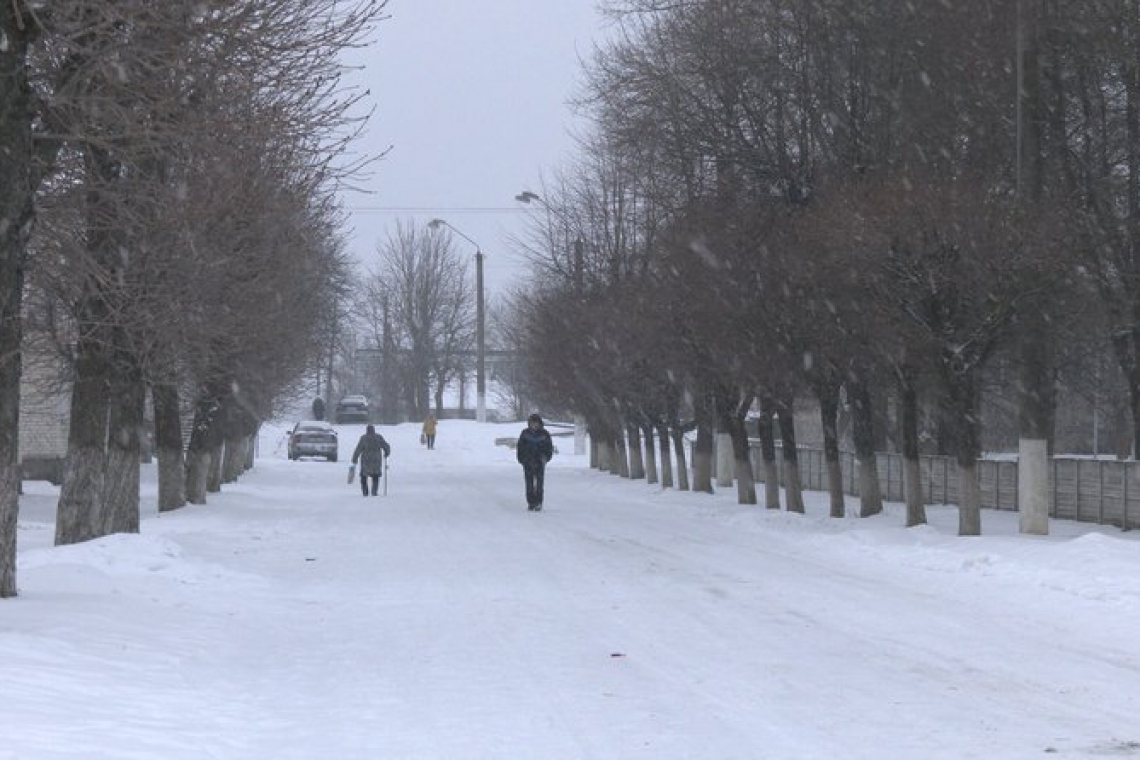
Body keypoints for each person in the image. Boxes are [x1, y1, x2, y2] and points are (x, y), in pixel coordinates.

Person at [516, 413, 553, 511]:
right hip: (527, 461)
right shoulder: (525, 433)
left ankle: (539, 502)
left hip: (540, 461)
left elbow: (549, 448)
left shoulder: (545, 434)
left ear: (539, 423)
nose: (534, 425)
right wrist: (521, 459)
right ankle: (531, 502)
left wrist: (546, 458)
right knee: (529, 483)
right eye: (532, 423)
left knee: (539, 483)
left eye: (536, 423)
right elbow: (520, 447)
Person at [352, 424, 391, 496]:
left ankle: (365, 492)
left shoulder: (363, 438)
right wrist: (387, 453)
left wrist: (354, 459)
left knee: (363, 476)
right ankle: (374, 491)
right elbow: (386, 446)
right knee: (375, 476)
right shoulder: (378, 437)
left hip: (366, 460)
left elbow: (358, 449)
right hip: (376, 460)